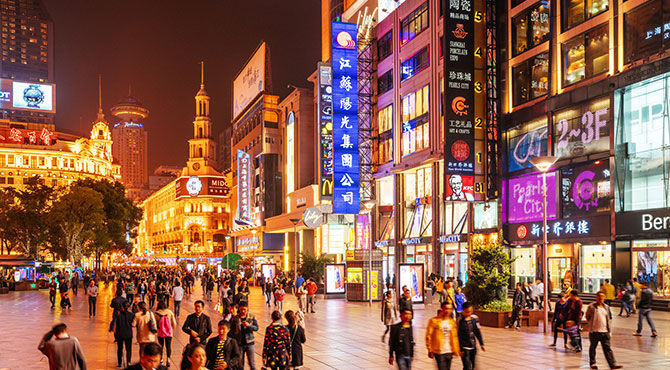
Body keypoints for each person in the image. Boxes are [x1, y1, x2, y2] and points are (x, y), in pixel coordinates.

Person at [584, 291, 622, 369]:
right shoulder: (591, 306)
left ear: (604, 298)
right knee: (593, 348)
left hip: (605, 332)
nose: (601, 298)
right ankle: (593, 363)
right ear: (596, 297)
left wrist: (609, 330)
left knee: (607, 349)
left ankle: (612, 364)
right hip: (594, 331)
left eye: (602, 296)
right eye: (599, 296)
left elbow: (609, 318)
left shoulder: (606, 307)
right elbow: (587, 316)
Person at [425, 302, 460, 370]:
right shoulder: (433, 321)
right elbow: (428, 336)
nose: (448, 311)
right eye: (446, 308)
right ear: (442, 309)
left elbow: (455, 337)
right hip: (439, 351)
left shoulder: (452, 322)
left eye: (450, 309)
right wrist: (430, 349)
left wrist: (456, 349)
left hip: (449, 351)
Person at [457, 302, 484, 370]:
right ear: (463, 310)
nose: (469, 313)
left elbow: (477, 331)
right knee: (467, 366)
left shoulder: (474, 319)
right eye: (467, 312)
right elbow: (458, 335)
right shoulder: (460, 321)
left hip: (473, 346)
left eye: (470, 311)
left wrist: (481, 343)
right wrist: (460, 348)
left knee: (473, 365)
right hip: (464, 348)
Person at [235, 301, 259, 370]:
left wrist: (249, 326)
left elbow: (256, 328)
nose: (243, 311)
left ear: (247, 308)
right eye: (241, 309)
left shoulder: (251, 317)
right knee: (240, 364)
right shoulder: (236, 318)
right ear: (239, 309)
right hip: (239, 343)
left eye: (244, 309)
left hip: (250, 343)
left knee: (252, 364)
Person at [112, 301, 135, 368]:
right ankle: (128, 362)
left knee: (120, 349)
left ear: (122, 307)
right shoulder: (131, 315)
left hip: (120, 334)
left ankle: (119, 363)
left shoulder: (118, 314)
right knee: (128, 349)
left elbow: (115, 322)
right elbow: (133, 324)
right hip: (128, 334)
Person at [155, 301, 178, 367]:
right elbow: (174, 323)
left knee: (160, 346)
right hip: (169, 333)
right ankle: (168, 359)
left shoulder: (156, 313)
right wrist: (171, 330)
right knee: (168, 346)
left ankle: (161, 359)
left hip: (160, 333)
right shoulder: (169, 312)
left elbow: (154, 323)